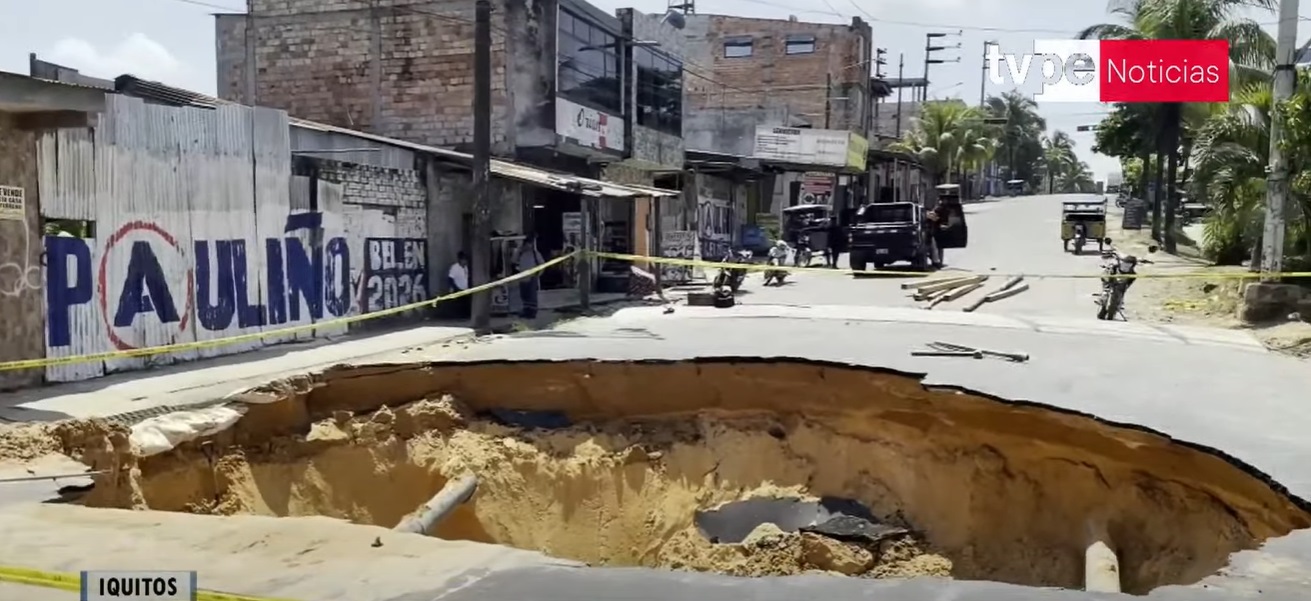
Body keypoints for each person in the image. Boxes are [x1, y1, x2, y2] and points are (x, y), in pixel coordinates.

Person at [514, 234, 545, 319]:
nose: (528, 246)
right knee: (524, 295)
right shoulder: (520, 254)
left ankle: (532, 312)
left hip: (532, 277)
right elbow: (514, 260)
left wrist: (539, 274)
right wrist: (519, 250)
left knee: (532, 295)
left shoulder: (535, 254)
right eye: (527, 244)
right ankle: (526, 311)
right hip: (522, 277)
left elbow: (542, 264)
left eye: (530, 244)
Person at [447, 251, 470, 318]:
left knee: (465, 304)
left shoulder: (466, 267)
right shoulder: (455, 267)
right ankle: (458, 317)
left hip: (465, 288)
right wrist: (454, 288)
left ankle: (465, 316)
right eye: (464, 260)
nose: (465, 261)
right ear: (460, 260)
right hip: (457, 288)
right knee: (458, 304)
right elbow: (450, 278)